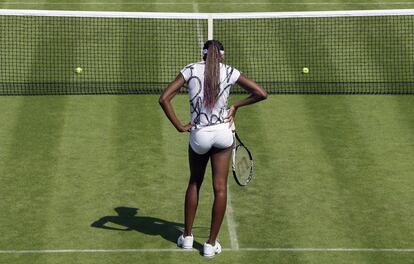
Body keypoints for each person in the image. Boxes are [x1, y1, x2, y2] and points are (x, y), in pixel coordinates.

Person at [159, 40, 267, 257]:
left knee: (194, 182)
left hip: (199, 135)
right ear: (222, 57)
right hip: (223, 134)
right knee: (220, 188)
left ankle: (187, 238)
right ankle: (210, 244)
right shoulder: (230, 71)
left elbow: (164, 99)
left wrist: (180, 126)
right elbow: (261, 93)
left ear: (203, 55)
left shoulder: (190, 69)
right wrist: (235, 106)